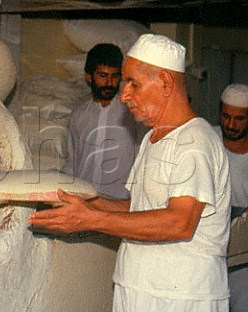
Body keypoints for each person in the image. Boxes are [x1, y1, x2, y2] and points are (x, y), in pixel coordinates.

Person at [30, 34, 231, 311]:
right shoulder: (152, 139)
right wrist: (85, 201)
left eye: (132, 83)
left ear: (165, 83)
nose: (123, 95)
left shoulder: (194, 142)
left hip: (181, 296)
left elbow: (179, 222)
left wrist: (91, 219)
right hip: (137, 287)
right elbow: (138, 208)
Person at [62, 43, 146, 200]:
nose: (109, 83)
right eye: (102, 76)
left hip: (120, 204)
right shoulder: (79, 116)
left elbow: (143, 160)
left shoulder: (132, 113)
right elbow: (72, 163)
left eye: (114, 76)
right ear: (89, 77)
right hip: (85, 203)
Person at [214, 83, 248, 312]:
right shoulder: (208, 139)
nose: (231, 125)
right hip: (211, 242)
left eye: (239, 119)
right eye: (226, 117)